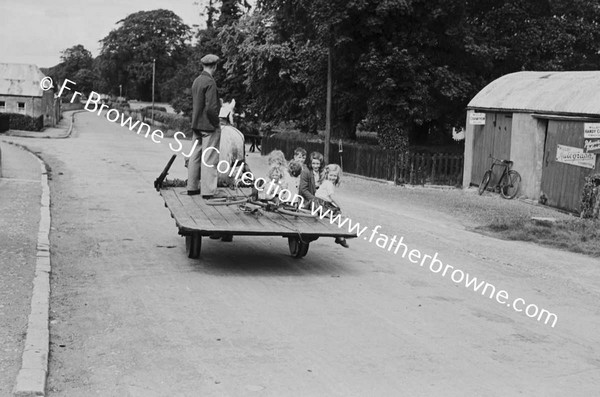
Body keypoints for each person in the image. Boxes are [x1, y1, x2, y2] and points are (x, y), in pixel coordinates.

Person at [186, 54, 221, 198]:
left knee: (195, 155)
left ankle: (192, 187)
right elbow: (211, 109)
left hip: (196, 125)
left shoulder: (197, 81)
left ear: (203, 66)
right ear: (214, 66)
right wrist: (216, 123)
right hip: (208, 126)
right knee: (209, 158)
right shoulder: (210, 82)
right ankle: (208, 192)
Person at [314, 164, 349, 248]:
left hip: (321, 202)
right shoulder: (328, 183)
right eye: (331, 175)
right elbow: (332, 197)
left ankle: (338, 235)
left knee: (336, 212)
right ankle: (338, 235)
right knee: (337, 213)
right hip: (320, 203)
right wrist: (341, 206)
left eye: (335, 176)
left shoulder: (327, 182)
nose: (333, 178)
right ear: (327, 175)